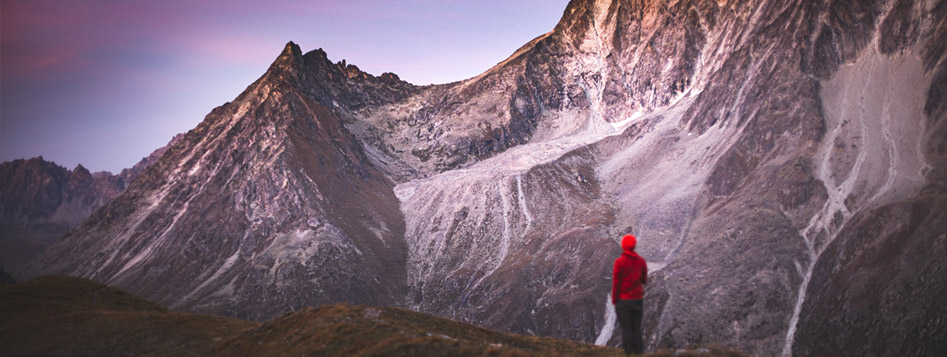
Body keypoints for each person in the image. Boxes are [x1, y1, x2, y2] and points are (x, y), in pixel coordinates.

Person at [612, 234, 647, 355]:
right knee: (637, 329)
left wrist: (615, 299)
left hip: (623, 301)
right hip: (637, 299)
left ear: (623, 246)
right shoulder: (641, 261)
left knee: (626, 330)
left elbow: (617, 282)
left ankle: (628, 354)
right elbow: (644, 280)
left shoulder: (619, 262)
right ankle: (639, 353)